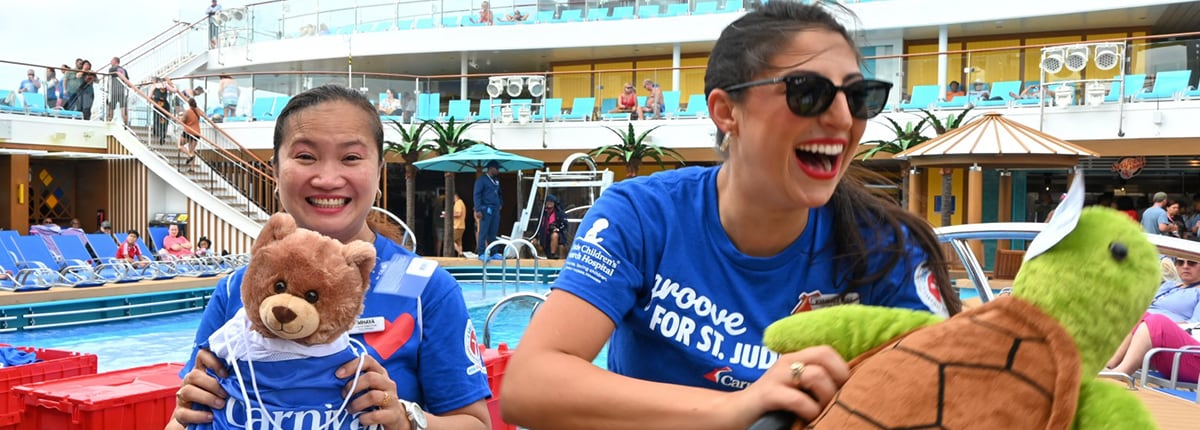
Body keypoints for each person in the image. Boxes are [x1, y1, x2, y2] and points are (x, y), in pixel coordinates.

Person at [500, 3, 959, 428]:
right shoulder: (641, 217)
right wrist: (736, 409)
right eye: (809, 92)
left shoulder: (886, 246)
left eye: (859, 97)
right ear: (726, 112)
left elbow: (949, 393)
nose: (843, 118)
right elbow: (529, 385)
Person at [167, 84, 491, 430]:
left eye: (351, 158)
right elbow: (185, 415)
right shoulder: (240, 288)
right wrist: (183, 413)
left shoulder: (423, 288)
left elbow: (475, 423)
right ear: (275, 170)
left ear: (379, 171)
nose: (328, 179)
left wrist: (408, 420)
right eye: (306, 156)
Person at [1106, 257, 1200, 384]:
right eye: (1180, 262)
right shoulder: (1169, 285)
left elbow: (1194, 325)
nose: (1185, 266)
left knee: (1155, 320)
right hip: (1150, 336)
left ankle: (1120, 372)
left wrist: (1157, 325)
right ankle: (1108, 365)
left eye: (1192, 262)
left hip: (1183, 349)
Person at [474, 160, 503, 260]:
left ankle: (494, 252)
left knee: (493, 232)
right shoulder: (482, 180)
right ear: (491, 168)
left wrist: (501, 203)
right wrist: (478, 209)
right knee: (483, 231)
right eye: (497, 169)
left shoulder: (496, 181)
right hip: (486, 209)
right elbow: (476, 195)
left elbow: (499, 193)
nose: (498, 171)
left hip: (495, 209)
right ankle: (481, 252)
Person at [538, 194, 568, 259]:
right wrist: (535, 236)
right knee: (534, 241)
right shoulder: (542, 213)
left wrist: (557, 229)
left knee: (555, 235)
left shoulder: (559, 213)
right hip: (544, 233)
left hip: (557, 233)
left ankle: (552, 254)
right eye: (548, 202)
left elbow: (565, 224)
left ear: (554, 203)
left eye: (551, 202)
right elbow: (538, 225)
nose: (549, 203)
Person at [178, 98, 204, 170]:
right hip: (197, 133)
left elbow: (182, 121)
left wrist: (179, 117)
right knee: (192, 150)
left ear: (189, 104)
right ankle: (192, 168)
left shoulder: (187, 112)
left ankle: (189, 155)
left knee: (180, 145)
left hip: (188, 132)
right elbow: (204, 115)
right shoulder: (198, 111)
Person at [106, 57, 130, 127]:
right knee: (123, 108)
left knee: (110, 108)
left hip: (113, 91)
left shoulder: (112, 69)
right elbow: (127, 80)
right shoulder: (124, 70)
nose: (110, 62)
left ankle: (109, 123)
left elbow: (109, 78)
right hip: (122, 91)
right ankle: (126, 126)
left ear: (115, 61)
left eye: (111, 61)